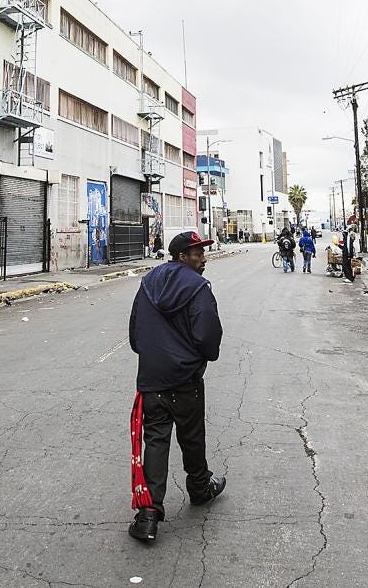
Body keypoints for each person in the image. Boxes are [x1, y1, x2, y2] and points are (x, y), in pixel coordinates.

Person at [128, 231, 227, 543]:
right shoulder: (198, 288)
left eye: (202, 252)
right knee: (192, 436)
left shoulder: (148, 283)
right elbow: (208, 336)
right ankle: (200, 489)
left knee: (155, 441)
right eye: (197, 253)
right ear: (181, 256)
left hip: (152, 379)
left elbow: (134, 333)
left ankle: (148, 515)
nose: (203, 258)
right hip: (185, 379)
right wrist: (200, 357)